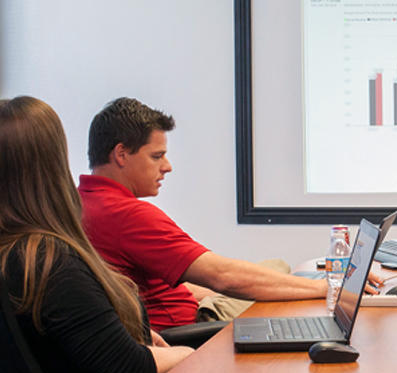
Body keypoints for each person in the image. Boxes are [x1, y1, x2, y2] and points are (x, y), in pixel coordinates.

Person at [78, 97, 379, 332]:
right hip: (195, 327)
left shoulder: (84, 201)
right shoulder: (126, 215)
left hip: (189, 307)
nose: (167, 166)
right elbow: (222, 277)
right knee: (295, 288)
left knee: (278, 266)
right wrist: (327, 289)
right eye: (157, 156)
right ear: (120, 154)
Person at [0, 96, 193, 373]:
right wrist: (190, 356)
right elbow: (127, 372)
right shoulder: (48, 261)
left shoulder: (17, 253)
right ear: (51, 166)